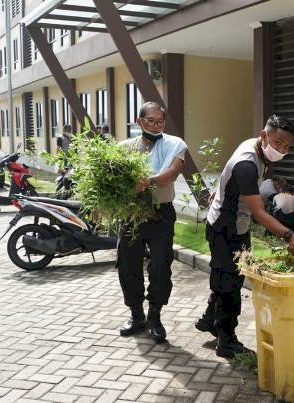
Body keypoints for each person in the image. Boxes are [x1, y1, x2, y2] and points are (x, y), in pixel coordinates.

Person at [195, 114, 294, 359]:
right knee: (229, 286)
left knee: (228, 276)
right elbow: (258, 212)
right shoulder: (248, 163)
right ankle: (226, 342)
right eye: (278, 143)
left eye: (287, 146)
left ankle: (209, 320)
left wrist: (219, 190)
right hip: (226, 228)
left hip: (234, 224)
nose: (282, 149)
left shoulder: (254, 146)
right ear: (264, 135)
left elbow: (227, 173)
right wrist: (289, 236)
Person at [116, 102, 187, 343]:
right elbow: (115, 182)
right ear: (139, 121)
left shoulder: (174, 145)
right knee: (128, 266)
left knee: (159, 268)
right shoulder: (123, 149)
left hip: (161, 214)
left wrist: (145, 183)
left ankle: (155, 316)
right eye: (151, 121)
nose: (157, 126)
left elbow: (171, 175)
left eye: (161, 122)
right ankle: (136, 315)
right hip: (131, 216)